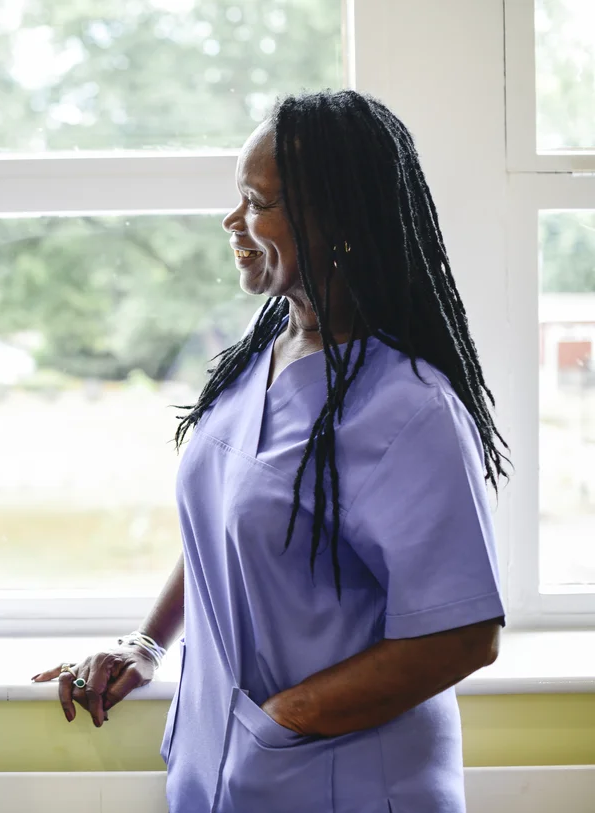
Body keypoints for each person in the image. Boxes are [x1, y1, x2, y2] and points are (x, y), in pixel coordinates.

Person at [33, 90, 508, 813]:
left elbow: (463, 636)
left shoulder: (410, 409)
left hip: (343, 781)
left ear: (337, 221)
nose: (234, 221)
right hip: (229, 771)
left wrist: (284, 719)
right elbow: (228, 527)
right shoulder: (270, 351)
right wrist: (149, 641)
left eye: (258, 201)